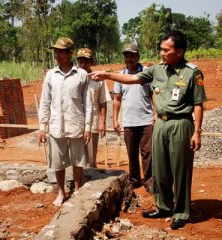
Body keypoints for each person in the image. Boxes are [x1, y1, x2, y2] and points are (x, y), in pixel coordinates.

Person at [88, 31, 206, 230]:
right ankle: (164, 206)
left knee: (180, 170)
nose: (161, 53)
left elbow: (198, 103)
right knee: (159, 169)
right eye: (160, 49)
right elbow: (132, 78)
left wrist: (197, 131)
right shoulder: (157, 70)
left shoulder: (192, 72)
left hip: (181, 124)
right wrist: (107, 75)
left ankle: (181, 211)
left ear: (179, 51)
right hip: (160, 123)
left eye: (166, 50)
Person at [38, 37, 92, 207]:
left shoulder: (81, 75)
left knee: (78, 159)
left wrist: (88, 127)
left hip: (76, 123)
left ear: (70, 53)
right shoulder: (50, 75)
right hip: (56, 125)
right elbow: (45, 101)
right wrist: (42, 126)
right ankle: (61, 191)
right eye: (56, 51)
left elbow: (88, 103)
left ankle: (77, 189)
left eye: (61, 52)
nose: (57, 55)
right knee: (57, 161)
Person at [113, 43, 154, 192]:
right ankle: (135, 180)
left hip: (146, 120)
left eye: (132, 55)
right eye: (126, 55)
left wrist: (155, 114)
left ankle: (149, 181)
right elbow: (117, 99)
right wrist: (115, 119)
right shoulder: (120, 76)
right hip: (129, 121)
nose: (129, 58)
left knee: (148, 153)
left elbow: (153, 95)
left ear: (138, 56)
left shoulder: (147, 73)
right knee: (132, 153)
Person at [76, 48, 111, 168]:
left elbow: (102, 102)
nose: (83, 65)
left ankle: (91, 182)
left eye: (86, 62)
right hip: (75, 123)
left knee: (91, 158)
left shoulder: (98, 79)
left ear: (91, 62)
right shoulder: (72, 78)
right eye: (80, 62)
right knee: (76, 157)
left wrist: (103, 123)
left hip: (92, 123)